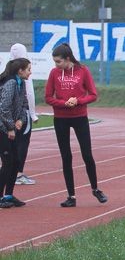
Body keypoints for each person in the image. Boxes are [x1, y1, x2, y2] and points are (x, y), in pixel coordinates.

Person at [45, 43, 108, 207]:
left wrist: (78, 101)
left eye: (58, 61)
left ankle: (95, 189)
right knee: (66, 157)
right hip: (61, 118)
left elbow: (93, 95)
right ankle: (71, 196)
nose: (56, 65)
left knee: (87, 154)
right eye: (55, 62)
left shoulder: (83, 71)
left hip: (79, 117)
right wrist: (63, 103)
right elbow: (48, 97)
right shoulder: (54, 73)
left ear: (68, 59)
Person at [0, 57, 32, 208]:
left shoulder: (21, 83)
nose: (30, 72)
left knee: (16, 161)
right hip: (3, 129)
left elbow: (24, 104)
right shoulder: (11, 83)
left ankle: (8, 195)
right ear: (20, 70)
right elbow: (4, 108)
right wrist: (10, 127)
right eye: (28, 69)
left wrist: (20, 119)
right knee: (7, 162)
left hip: (13, 127)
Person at [9, 44, 38, 186]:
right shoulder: (23, 71)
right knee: (22, 143)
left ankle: (9, 172)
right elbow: (29, 93)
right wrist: (33, 114)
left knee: (10, 143)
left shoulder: (6, 70)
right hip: (22, 114)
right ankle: (18, 173)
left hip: (9, 114)